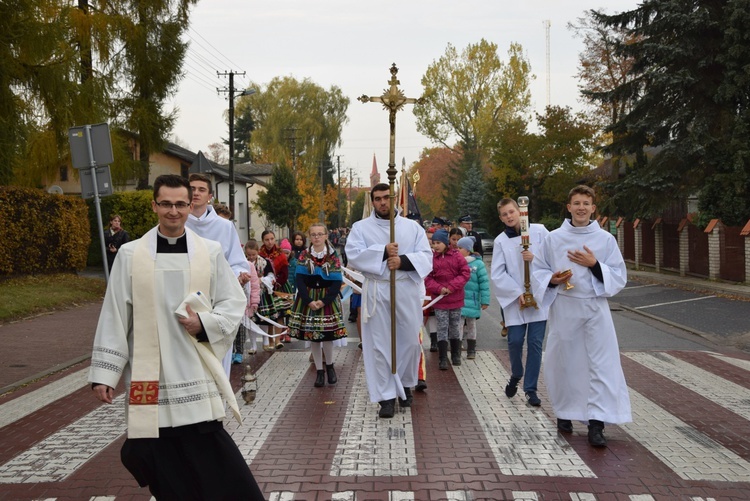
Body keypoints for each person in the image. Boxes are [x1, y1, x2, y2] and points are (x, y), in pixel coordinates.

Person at [88, 174, 263, 500]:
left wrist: (205, 323)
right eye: (166, 204)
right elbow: (114, 315)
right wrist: (105, 374)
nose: (173, 211)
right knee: (156, 455)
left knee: (212, 454)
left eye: (180, 204)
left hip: (192, 369)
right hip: (147, 375)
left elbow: (233, 302)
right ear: (155, 205)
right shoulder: (130, 255)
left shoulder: (208, 253)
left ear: (190, 205)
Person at [536, 185, 632, 446]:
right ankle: (565, 414)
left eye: (585, 204)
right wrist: (552, 280)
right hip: (565, 307)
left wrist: (595, 265)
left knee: (601, 363)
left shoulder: (605, 240)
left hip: (594, 307)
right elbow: (538, 270)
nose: (581, 208)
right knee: (565, 362)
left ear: (593, 208)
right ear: (569, 207)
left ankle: (596, 423)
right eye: (576, 203)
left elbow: (619, 275)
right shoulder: (553, 239)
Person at [345, 183, 433, 418]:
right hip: (378, 289)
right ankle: (386, 396)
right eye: (378, 199)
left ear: (394, 200)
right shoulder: (361, 227)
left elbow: (426, 256)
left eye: (386, 198)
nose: (383, 202)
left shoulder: (412, 228)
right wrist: (383, 252)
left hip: (404, 288)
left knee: (410, 342)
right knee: (380, 345)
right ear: (372, 201)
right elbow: (353, 254)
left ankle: (404, 383)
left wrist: (402, 261)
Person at [185, 173, 252, 372]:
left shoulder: (224, 226)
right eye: (192, 189)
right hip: (186, 300)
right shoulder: (178, 223)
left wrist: (239, 275)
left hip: (217, 301)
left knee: (218, 362)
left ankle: (219, 402)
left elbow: (237, 262)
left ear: (210, 196)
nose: (196, 193)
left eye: (201, 189)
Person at [491, 198, 550, 407]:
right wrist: (516, 293)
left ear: (520, 212)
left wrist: (535, 257)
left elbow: (554, 257)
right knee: (515, 342)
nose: (509, 217)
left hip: (538, 298)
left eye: (511, 212)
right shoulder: (500, 241)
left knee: (535, 344)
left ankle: (531, 389)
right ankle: (516, 373)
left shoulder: (540, 231)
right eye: (505, 214)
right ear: (501, 218)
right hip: (516, 300)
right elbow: (497, 273)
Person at [288, 223, 347, 387]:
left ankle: (330, 366)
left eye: (320, 234)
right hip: (309, 298)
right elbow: (299, 280)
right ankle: (319, 371)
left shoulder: (332, 256)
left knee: (327, 335)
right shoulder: (305, 256)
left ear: (326, 236)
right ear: (310, 236)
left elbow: (337, 281)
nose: (317, 237)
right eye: (313, 234)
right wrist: (309, 301)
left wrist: (324, 300)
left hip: (326, 298)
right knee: (313, 336)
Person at [424, 229, 470, 370]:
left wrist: (451, 286)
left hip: (455, 298)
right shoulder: (432, 259)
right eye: (433, 243)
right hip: (440, 300)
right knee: (442, 327)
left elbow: (465, 273)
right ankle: (442, 357)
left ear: (445, 242)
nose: (435, 246)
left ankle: (456, 354)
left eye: (438, 243)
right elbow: (428, 277)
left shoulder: (456, 256)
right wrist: (439, 289)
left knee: (455, 326)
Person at [245, 239, 282, 352]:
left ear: (258, 252)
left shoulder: (265, 262)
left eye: (253, 254)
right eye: (249, 255)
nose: (251, 257)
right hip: (248, 293)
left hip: (263, 293)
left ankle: (266, 340)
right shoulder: (243, 263)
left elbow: (272, 276)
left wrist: (262, 280)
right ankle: (253, 345)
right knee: (251, 320)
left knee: (264, 319)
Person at [457, 236, 490, 360]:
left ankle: (471, 349)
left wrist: (485, 300)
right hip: (458, 300)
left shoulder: (478, 264)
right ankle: (458, 347)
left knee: (471, 324)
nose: (457, 250)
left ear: (467, 249)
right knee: (458, 325)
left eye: (460, 248)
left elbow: (484, 284)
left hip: (473, 300)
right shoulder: (456, 261)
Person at [259, 230, 292, 345]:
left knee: (280, 312)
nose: (270, 242)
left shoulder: (280, 254)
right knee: (269, 314)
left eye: (272, 239)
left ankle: (278, 339)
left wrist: (276, 283)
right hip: (265, 286)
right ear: (263, 241)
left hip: (279, 286)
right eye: (267, 240)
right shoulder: (260, 255)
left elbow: (284, 273)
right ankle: (270, 339)